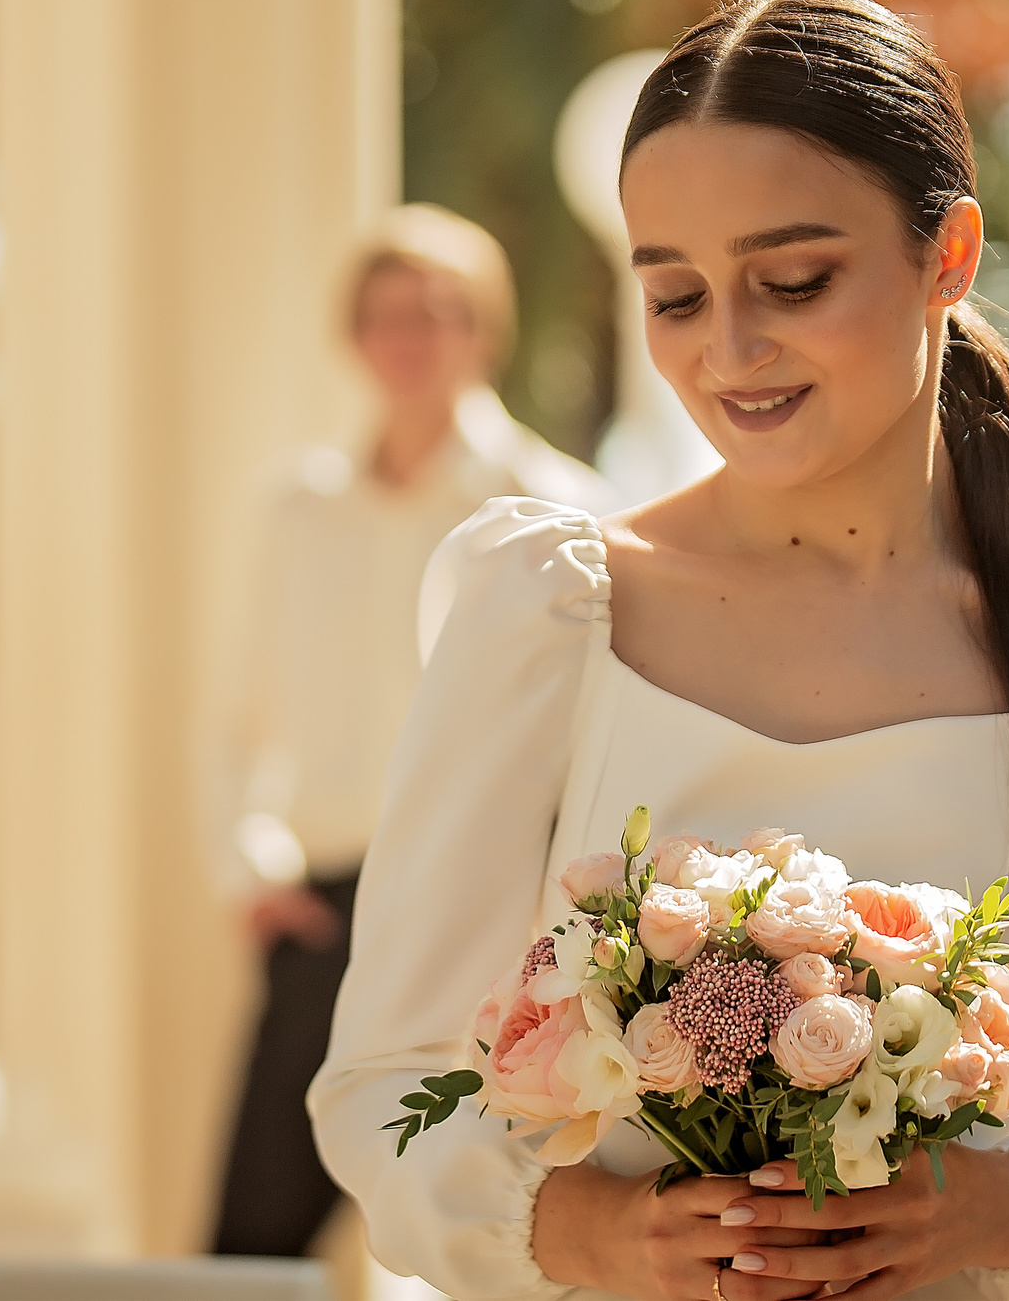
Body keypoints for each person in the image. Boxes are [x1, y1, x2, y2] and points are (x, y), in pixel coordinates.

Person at [312, 0, 1009, 1300]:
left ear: (950, 254)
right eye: (676, 295)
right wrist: (593, 1232)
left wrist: (992, 1201)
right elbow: (383, 1082)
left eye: (794, 280)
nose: (731, 350)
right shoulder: (547, 613)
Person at [211, 203, 614, 1260]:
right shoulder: (295, 511)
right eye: (391, 315)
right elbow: (239, 712)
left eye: (443, 313)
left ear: (485, 331)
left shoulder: (551, 508)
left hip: (491, 921)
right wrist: (247, 869)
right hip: (324, 908)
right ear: (355, 337)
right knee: (250, 1240)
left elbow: (587, 731)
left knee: (493, 1227)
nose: (416, 337)